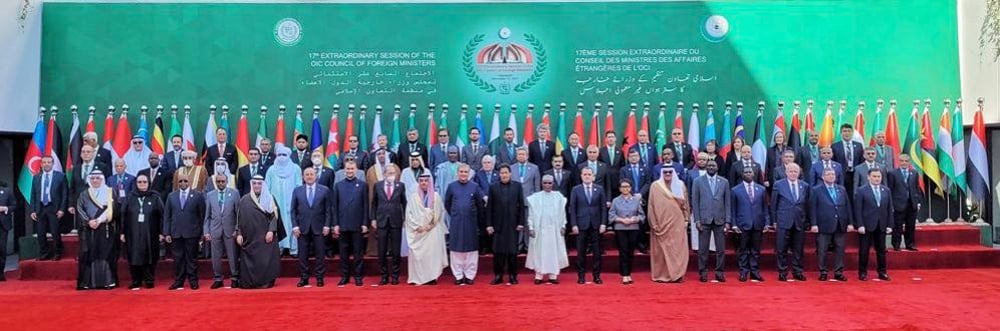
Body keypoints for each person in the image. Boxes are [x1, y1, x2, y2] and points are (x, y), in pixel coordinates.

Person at [236, 175, 284, 289]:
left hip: (265, 237)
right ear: (251, 185)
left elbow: (274, 216)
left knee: (265, 260)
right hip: (250, 238)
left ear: (263, 185)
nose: (257, 185)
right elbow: (238, 218)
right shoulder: (244, 200)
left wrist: (271, 231)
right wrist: (238, 234)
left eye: (259, 183)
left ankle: (265, 281)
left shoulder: (270, 198)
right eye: (254, 183)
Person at [119, 174, 163, 289]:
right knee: (134, 255)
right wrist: (122, 232)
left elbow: (162, 215)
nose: (142, 184)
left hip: (151, 233)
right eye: (140, 182)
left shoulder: (155, 197)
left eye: (144, 182)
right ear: (136, 183)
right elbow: (123, 215)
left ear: (148, 183)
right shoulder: (130, 197)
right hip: (132, 233)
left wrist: (162, 232)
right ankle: (136, 280)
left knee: (150, 255)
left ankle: (149, 280)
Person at [164, 172, 206, 290]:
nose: (183, 183)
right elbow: (167, 216)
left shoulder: (198, 195)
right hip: (176, 233)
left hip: (192, 232)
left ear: (190, 182)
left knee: (191, 258)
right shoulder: (171, 196)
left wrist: (202, 232)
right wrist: (166, 232)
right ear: (177, 182)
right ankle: (179, 281)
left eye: (185, 181)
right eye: (180, 181)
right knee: (178, 259)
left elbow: (202, 215)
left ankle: (193, 281)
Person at [809, 168, 853, 282]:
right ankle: (823, 271)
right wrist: (813, 223)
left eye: (833, 174)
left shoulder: (841, 189)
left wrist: (850, 223)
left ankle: (838, 272)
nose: (831, 176)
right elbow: (812, 207)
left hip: (840, 223)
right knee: (822, 249)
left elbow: (847, 206)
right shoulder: (816, 190)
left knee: (840, 249)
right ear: (823, 177)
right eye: (828, 174)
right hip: (824, 224)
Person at [647, 167, 690, 283]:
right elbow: (651, 206)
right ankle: (662, 275)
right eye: (665, 172)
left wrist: (686, 219)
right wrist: (654, 223)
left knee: (677, 250)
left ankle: (677, 274)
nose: (667, 174)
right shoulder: (655, 186)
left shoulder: (680, 185)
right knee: (661, 250)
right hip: (661, 224)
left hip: (677, 223)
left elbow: (685, 204)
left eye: (670, 172)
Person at [75, 170, 116, 290]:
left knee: (105, 254)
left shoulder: (110, 192)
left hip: (105, 228)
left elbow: (113, 208)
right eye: (93, 179)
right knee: (89, 255)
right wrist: (89, 221)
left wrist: (99, 220)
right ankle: (88, 282)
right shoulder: (84, 194)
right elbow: (79, 208)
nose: (95, 181)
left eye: (98, 178)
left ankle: (107, 281)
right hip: (88, 229)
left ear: (102, 179)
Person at [291, 167, 332, 287]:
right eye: (307, 174)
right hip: (302, 228)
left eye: (311, 174)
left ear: (316, 176)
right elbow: (293, 210)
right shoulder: (297, 190)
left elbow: (328, 210)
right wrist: (295, 227)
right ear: (303, 177)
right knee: (303, 255)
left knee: (320, 254)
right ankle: (304, 278)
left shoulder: (324, 190)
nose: (309, 176)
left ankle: (319, 278)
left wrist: (327, 225)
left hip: (319, 227)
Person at [690, 160, 730, 283]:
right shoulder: (698, 181)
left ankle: (719, 272)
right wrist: (696, 220)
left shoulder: (724, 182)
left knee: (721, 249)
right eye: (709, 165)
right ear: (706, 167)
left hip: (720, 220)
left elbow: (727, 203)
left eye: (714, 165)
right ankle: (703, 272)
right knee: (703, 249)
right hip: (704, 219)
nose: (711, 167)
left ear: (717, 168)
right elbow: (695, 202)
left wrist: (728, 221)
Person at [486, 164, 526, 285]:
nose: (504, 175)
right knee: (498, 252)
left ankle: (513, 276)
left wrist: (521, 222)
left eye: (506, 173)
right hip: (498, 225)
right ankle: (498, 275)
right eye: (502, 173)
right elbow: (489, 208)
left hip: (513, 224)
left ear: (510, 173)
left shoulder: (517, 186)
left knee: (512, 252)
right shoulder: (493, 187)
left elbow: (521, 205)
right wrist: (489, 225)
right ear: (499, 174)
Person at [404, 173, 448, 285]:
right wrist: (418, 227)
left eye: (426, 181)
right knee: (418, 255)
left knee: (432, 254)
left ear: (429, 182)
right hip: (418, 231)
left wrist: (431, 225)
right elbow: (409, 215)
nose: (424, 183)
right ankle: (417, 278)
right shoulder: (413, 198)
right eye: (421, 181)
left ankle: (432, 277)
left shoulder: (436, 196)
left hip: (432, 230)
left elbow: (440, 212)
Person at [445, 164, 484, 285]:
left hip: (471, 223)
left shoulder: (475, 187)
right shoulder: (451, 187)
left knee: (471, 250)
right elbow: (447, 203)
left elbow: (480, 205)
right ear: (457, 173)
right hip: (456, 222)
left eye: (466, 172)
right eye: (461, 172)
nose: (463, 174)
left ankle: (469, 275)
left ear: (469, 174)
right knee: (456, 250)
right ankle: (458, 275)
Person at [526, 175, 569, 284]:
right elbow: (531, 215)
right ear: (541, 183)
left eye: (549, 183)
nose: (547, 185)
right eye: (545, 183)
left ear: (553, 184)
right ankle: (539, 275)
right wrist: (531, 227)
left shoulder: (558, 197)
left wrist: (563, 225)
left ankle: (553, 276)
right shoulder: (535, 197)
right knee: (539, 252)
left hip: (554, 230)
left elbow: (562, 214)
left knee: (553, 253)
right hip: (540, 230)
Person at [770, 163, 810, 282]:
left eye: (795, 171)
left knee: (798, 249)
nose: (793, 173)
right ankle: (782, 271)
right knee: (781, 248)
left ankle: (797, 271)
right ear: (786, 172)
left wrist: (807, 220)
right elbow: (774, 204)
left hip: (799, 221)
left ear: (799, 173)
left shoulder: (805, 185)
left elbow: (807, 204)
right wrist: (774, 221)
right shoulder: (778, 184)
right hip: (783, 220)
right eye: (791, 171)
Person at [332, 160, 369, 286]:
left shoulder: (363, 185)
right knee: (343, 253)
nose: (349, 171)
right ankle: (344, 276)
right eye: (347, 169)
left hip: (357, 224)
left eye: (352, 169)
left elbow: (365, 206)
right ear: (344, 170)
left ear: (356, 170)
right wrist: (335, 224)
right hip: (342, 224)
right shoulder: (338, 185)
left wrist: (365, 223)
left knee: (358, 252)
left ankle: (358, 276)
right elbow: (334, 207)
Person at [568, 167, 608, 284]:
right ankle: (581, 276)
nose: (587, 176)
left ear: (593, 176)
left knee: (597, 252)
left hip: (596, 224)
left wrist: (603, 223)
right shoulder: (576, 190)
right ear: (581, 176)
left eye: (589, 174)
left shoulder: (599, 189)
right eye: (584, 174)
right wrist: (574, 224)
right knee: (581, 252)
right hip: (581, 225)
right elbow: (572, 208)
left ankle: (596, 276)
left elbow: (603, 208)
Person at [731, 167, 770, 282]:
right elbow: (733, 209)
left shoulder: (761, 189)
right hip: (742, 224)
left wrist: (767, 222)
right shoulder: (735, 190)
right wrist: (734, 224)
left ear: (754, 174)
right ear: (742, 174)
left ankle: (755, 272)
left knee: (755, 250)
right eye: (746, 172)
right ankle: (743, 272)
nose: (748, 173)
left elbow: (765, 208)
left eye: (750, 172)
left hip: (758, 223)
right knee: (742, 250)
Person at [854, 168, 893, 281]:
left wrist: (890, 225)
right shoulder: (861, 190)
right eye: (874, 176)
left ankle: (882, 272)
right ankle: (862, 272)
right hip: (866, 225)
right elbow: (858, 209)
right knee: (864, 250)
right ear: (868, 177)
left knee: (881, 250)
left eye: (878, 177)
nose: (877, 179)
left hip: (881, 225)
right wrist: (860, 224)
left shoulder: (886, 190)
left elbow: (889, 209)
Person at [371, 164, 406, 285]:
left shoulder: (400, 186)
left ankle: (395, 276)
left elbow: (404, 203)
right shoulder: (378, 185)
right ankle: (384, 276)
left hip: (396, 221)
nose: (391, 175)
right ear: (384, 174)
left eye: (393, 173)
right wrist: (373, 219)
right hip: (381, 221)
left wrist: (405, 218)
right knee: (382, 250)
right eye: (389, 173)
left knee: (396, 251)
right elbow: (374, 203)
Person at [203, 174, 240, 289]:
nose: (220, 184)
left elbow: (238, 214)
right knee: (215, 256)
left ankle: (234, 278)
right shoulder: (210, 195)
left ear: (227, 181)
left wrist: (237, 229)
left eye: (223, 181)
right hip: (215, 230)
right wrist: (206, 231)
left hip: (230, 230)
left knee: (232, 255)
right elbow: (207, 216)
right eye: (218, 181)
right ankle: (218, 278)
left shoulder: (234, 193)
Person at [265, 146, 302, 256]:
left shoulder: (295, 168)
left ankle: (294, 248)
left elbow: (299, 185)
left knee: (292, 224)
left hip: (292, 202)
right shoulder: (271, 169)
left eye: (284, 155)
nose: (281, 157)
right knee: (278, 224)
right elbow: (267, 187)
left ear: (289, 156)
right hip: (276, 204)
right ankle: (279, 247)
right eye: (279, 155)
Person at [31, 156, 67, 261]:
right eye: (44, 162)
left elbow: (65, 194)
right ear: (41, 164)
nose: (46, 164)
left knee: (55, 232)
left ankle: (57, 252)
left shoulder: (60, 176)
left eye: (49, 162)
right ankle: (44, 253)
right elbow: (33, 195)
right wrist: (33, 210)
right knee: (40, 233)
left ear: (52, 163)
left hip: (54, 208)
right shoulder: (36, 177)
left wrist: (62, 209)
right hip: (40, 208)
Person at [608, 179, 643, 285]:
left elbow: (642, 215)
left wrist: (634, 219)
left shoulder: (636, 200)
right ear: (619, 189)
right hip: (620, 228)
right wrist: (621, 220)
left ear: (631, 188)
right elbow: (611, 215)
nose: (625, 189)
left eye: (627, 186)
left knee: (631, 251)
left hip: (633, 227)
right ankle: (625, 275)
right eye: (623, 187)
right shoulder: (615, 200)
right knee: (623, 251)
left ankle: (629, 272)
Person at [888, 154, 923, 251]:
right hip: (898, 204)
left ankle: (910, 244)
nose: (904, 163)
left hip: (911, 203)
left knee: (911, 225)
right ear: (899, 161)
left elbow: (916, 188)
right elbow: (890, 189)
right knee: (897, 225)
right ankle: (896, 244)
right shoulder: (892, 173)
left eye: (906, 161)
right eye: (902, 161)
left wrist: (918, 202)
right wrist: (891, 205)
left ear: (909, 162)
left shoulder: (914, 173)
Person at [69, 145, 110, 213]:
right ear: (80, 154)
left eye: (88, 152)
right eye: (83, 152)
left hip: (97, 205)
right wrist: (71, 204)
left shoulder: (102, 167)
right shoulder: (76, 168)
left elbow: (107, 186)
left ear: (93, 154)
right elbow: (72, 188)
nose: (86, 154)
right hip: (79, 205)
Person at [831, 124, 864, 199]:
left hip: (855, 174)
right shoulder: (835, 146)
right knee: (842, 195)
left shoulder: (859, 145)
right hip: (841, 174)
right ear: (841, 133)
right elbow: (833, 162)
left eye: (849, 131)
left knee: (854, 195)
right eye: (844, 131)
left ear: (852, 133)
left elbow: (861, 161)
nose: (847, 133)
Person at [0, 182, 15, 281]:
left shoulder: (7, 191)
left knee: (1, 248)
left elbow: (14, 205)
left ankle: (0, 272)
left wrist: (5, 208)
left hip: (3, 225)